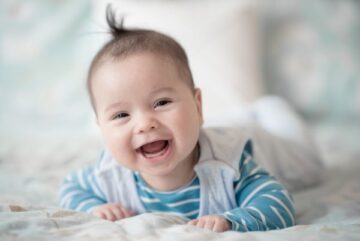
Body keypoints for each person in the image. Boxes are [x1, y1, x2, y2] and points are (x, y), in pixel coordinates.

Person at [59, 7, 322, 233]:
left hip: (274, 146)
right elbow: (71, 189)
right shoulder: (109, 173)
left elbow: (278, 202)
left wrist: (233, 221)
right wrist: (96, 208)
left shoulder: (230, 165)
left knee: (308, 162)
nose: (144, 124)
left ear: (198, 105)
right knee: (234, 120)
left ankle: (265, 108)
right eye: (121, 115)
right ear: (101, 128)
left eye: (161, 103)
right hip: (224, 125)